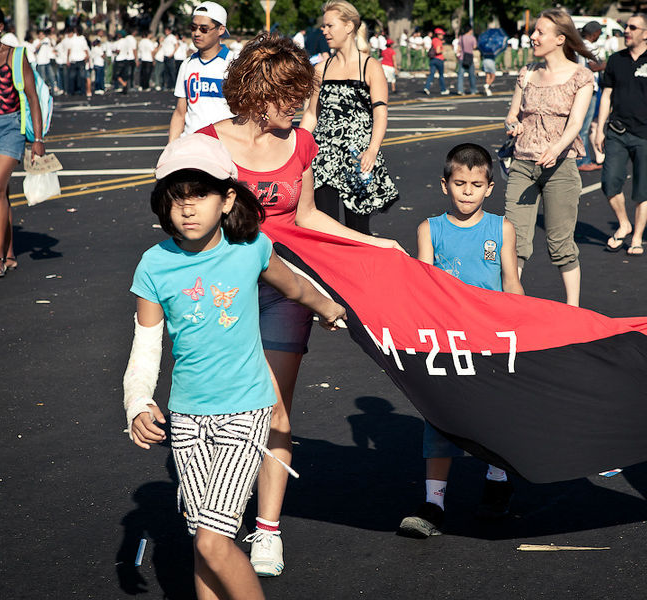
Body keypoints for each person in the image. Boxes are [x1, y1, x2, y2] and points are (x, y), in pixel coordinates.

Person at [199, 31, 404, 578]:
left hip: (286, 290)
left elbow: (309, 216)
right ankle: (217, 510)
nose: (300, 106)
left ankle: (267, 529)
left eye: (302, 94)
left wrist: (375, 242)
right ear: (258, 94)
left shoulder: (302, 145)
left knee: (274, 405)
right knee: (223, 406)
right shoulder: (208, 145)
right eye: (290, 95)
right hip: (223, 294)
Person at [125, 133, 346, 600]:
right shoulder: (153, 265)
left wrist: (328, 308)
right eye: (177, 197)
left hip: (245, 412)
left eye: (200, 195)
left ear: (227, 200)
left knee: (211, 538)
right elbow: (145, 346)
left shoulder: (251, 248)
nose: (187, 208)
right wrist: (138, 402)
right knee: (206, 542)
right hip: (186, 419)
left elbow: (295, 287)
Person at [398, 143, 524, 538]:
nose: (467, 191)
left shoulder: (501, 228)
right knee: (439, 419)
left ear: (489, 188)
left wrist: (524, 321)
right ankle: (433, 505)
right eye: (459, 183)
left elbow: (511, 282)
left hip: (488, 338)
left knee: (494, 414)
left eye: (475, 184)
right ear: (444, 185)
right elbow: (419, 286)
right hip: (445, 340)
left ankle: (497, 480)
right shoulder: (429, 229)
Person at [503, 8, 594, 306]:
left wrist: (556, 149)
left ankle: (573, 308)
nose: (533, 36)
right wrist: (512, 124)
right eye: (534, 32)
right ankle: (511, 305)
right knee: (514, 240)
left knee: (560, 244)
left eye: (540, 32)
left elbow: (576, 123)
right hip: (522, 165)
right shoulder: (527, 73)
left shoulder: (581, 76)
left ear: (560, 39)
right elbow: (512, 114)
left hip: (561, 167)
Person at [300, 0, 399, 235]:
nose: (324, 31)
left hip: (358, 158)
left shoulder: (370, 67)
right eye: (323, 26)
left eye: (329, 26)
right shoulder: (320, 69)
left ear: (349, 26)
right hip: (324, 158)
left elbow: (380, 113)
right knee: (324, 228)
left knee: (358, 229)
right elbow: (312, 114)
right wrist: (298, 148)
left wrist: (373, 149)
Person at [593, 13, 647, 257]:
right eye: (626, 26)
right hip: (617, 131)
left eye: (632, 27)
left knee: (642, 189)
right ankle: (624, 223)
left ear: (646, 33)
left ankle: (636, 237)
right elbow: (606, 95)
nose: (626, 30)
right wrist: (599, 127)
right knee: (609, 183)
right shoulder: (616, 59)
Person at [0, 3, 45, 277]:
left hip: (10, 126)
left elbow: (32, 97)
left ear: (0, 27)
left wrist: (38, 138)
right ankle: (11, 253)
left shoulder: (16, 56)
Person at [168, 1, 235, 140]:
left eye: (204, 28)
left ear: (221, 30)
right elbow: (180, 113)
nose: (197, 33)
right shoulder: (187, 64)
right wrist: (170, 149)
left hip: (225, 145)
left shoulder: (235, 64)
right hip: (192, 145)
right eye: (193, 28)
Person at [576, 20, 605, 172]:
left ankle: (580, 159)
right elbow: (594, 66)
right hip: (588, 89)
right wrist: (607, 64)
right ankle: (582, 161)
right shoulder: (588, 46)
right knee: (584, 128)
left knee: (582, 126)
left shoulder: (578, 44)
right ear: (594, 34)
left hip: (580, 87)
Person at [422, 27, 449, 95]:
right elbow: (438, 51)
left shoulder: (433, 40)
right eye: (441, 35)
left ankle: (427, 87)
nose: (442, 36)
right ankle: (443, 90)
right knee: (441, 75)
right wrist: (443, 50)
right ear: (438, 35)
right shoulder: (439, 41)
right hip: (439, 59)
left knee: (431, 74)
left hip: (432, 59)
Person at [455, 24, 477, 95]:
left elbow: (458, 48)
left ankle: (460, 90)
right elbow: (474, 47)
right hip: (470, 58)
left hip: (462, 57)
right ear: (470, 30)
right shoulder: (472, 38)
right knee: (471, 75)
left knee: (461, 75)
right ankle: (473, 90)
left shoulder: (461, 37)